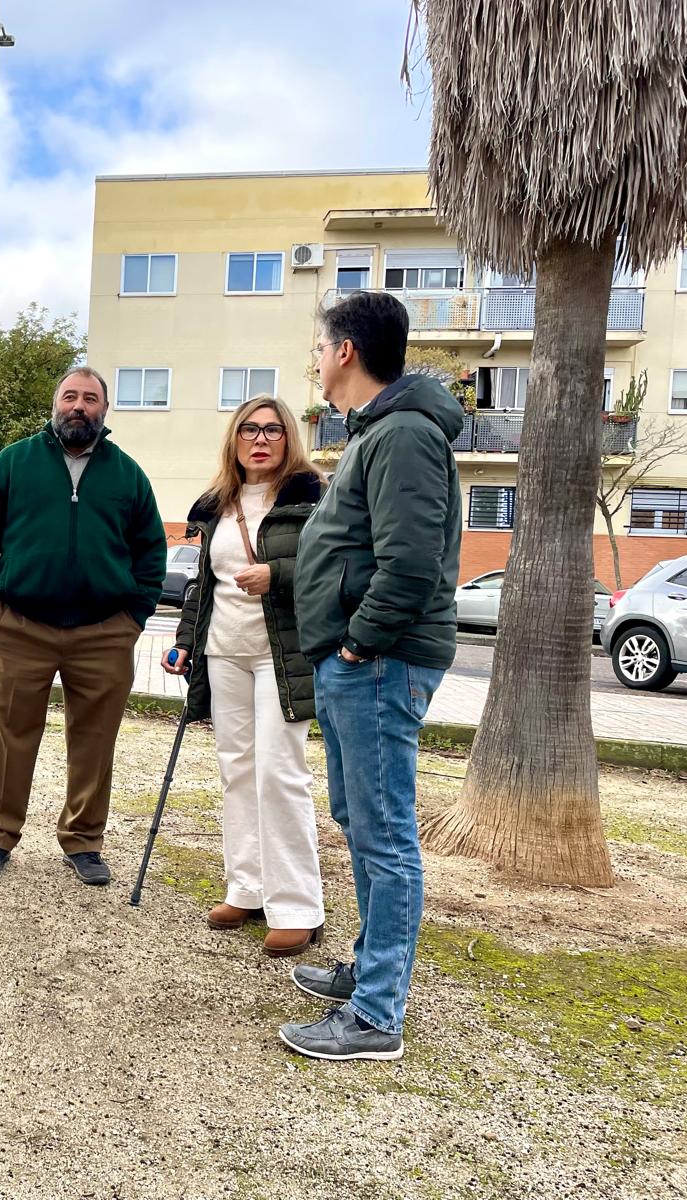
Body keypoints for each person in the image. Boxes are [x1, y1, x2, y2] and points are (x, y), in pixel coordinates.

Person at [279, 290, 463, 1061]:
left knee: (386, 838)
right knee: (362, 824)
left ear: (346, 351)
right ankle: (367, 974)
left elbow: (410, 562)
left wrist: (360, 643)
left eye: (320, 348)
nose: (316, 362)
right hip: (360, 662)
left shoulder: (405, 435)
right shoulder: (379, 432)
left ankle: (378, 1015)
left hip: (380, 663)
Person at [0, 366, 168, 886]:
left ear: (104, 409)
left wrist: (135, 616)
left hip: (104, 632)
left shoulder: (127, 475)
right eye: (70, 396)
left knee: (95, 742)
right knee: (6, 736)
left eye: (90, 398)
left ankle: (84, 840)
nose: (79, 406)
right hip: (19, 627)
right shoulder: (14, 462)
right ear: (55, 404)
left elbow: (150, 549)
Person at [164, 395, 325, 956]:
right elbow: (203, 585)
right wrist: (186, 641)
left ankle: (298, 906)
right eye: (249, 430)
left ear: (288, 439)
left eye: (273, 430)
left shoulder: (312, 498)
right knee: (237, 771)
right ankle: (248, 888)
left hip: (282, 656)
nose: (260, 440)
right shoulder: (218, 504)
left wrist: (276, 573)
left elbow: (337, 565)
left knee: (280, 773)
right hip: (224, 652)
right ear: (234, 439)